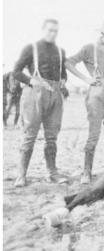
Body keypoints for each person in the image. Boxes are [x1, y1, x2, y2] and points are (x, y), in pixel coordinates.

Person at [66, 17, 104, 184]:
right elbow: (68, 62)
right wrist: (86, 79)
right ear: (102, 33)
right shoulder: (89, 49)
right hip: (97, 95)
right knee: (93, 135)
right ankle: (87, 171)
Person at [12, 19, 67, 187]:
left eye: (56, 31)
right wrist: (30, 81)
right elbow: (16, 72)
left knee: (52, 137)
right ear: (43, 29)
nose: (53, 33)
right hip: (34, 94)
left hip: (55, 95)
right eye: (50, 30)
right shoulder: (32, 48)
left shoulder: (60, 50)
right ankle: (21, 175)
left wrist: (64, 80)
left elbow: (63, 73)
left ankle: (52, 172)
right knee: (30, 136)